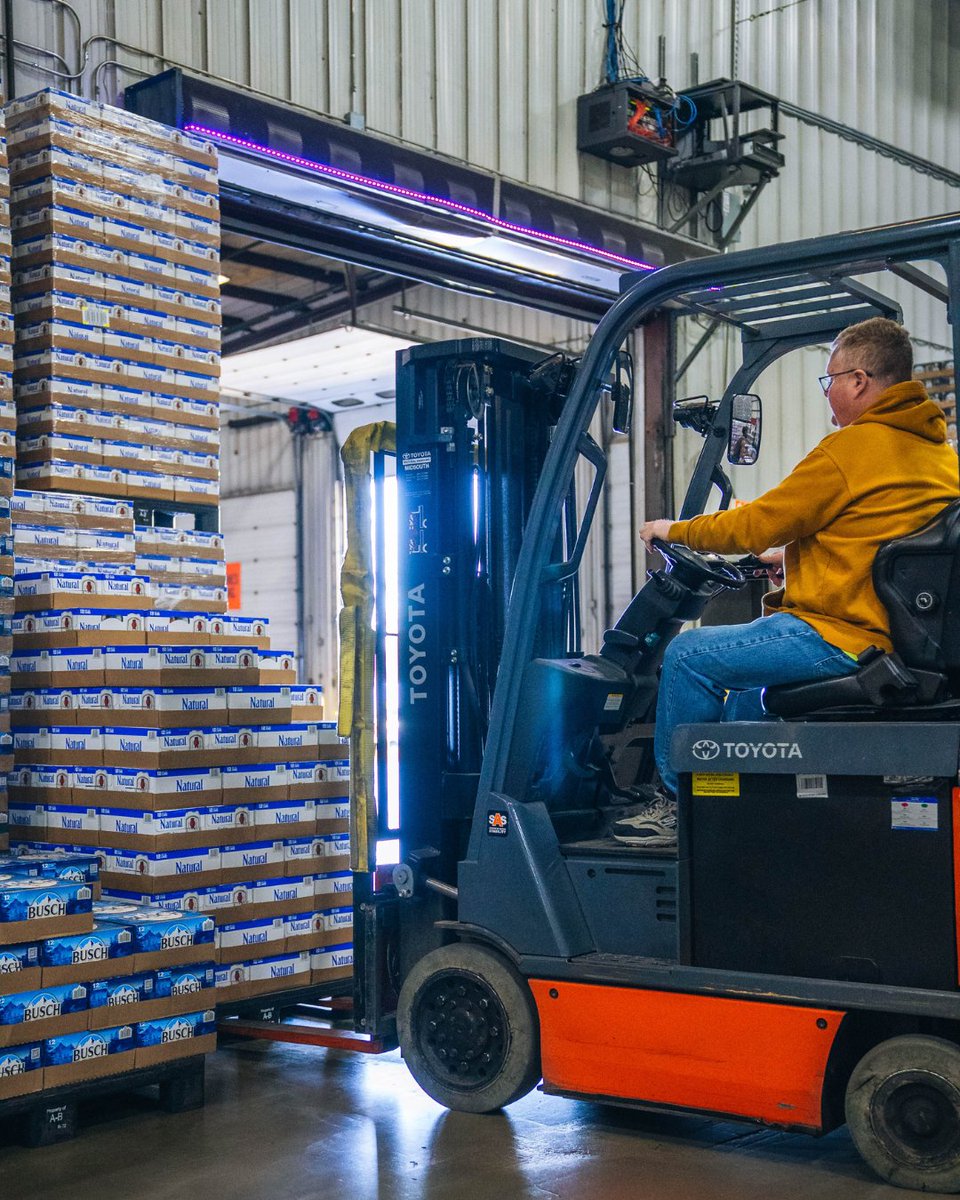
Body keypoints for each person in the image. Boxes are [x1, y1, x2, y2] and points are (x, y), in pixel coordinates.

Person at [613, 317, 960, 847]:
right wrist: (792, 560)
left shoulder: (853, 450)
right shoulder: (937, 455)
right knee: (744, 702)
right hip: (896, 632)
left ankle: (677, 808)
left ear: (860, 381)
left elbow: (754, 523)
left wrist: (671, 529)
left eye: (831, 381)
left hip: (842, 632)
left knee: (690, 657)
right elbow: (881, 538)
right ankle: (734, 813)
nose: (829, 395)